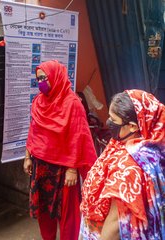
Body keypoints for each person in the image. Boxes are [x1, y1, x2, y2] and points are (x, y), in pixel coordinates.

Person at [24, 60, 97, 240]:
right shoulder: (38, 101)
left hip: (64, 169)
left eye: (44, 78)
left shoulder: (72, 103)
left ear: (55, 77)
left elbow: (78, 137)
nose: (40, 82)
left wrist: (73, 169)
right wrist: (27, 157)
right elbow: (33, 130)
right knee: (44, 211)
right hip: (40, 165)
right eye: (38, 79)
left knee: (67, 215)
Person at [80, 89, 165, 239]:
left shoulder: (128, 167)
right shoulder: (152, 147)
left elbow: (115, 224)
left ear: (132, 126)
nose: (108, 122)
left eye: (113, 119)